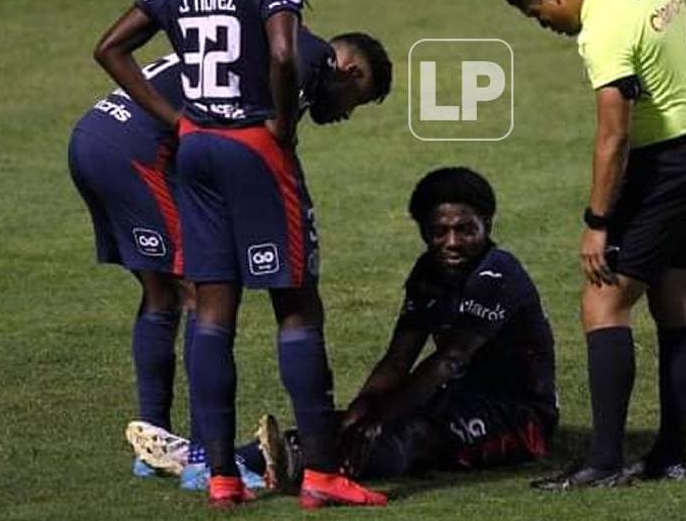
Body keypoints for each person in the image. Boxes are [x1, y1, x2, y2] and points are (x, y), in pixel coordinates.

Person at [92, 0, 385, 510]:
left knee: (212, 311)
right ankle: (323, 476)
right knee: (296, 306)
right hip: (252, 146)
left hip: (194, 147)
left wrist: (174, 117)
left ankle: (219, 474)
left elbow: (110, 46)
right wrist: (281, 122)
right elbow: (284, 54)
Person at [69, 27, 393, 491]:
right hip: (136, 152)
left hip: (95, 136)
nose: (343, 115)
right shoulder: (308, 57)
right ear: (350, 71)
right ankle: (204, 460)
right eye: (353, 101)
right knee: (204, 293)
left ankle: (154, 442)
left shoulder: (261, 40)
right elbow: (256, 150)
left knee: (161, 292)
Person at [501, 0, 686, 489]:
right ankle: (668, 458)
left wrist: (597, 222)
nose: (548, 26)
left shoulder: (602, 29)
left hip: (663, 171)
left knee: (602, 300)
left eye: (539, 14)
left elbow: (614, 132)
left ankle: (603, 461)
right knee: (676, 303)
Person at [231, 167, 558, 489]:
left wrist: (381, 418)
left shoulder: (498, 274)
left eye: (465, 230)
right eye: (439, 232)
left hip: (519, 416)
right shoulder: (428, 272)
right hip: (453, 397)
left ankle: (301, 467)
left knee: (411, 432)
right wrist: (362, 409)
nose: (452, 242)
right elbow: (398, 359)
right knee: (345, 421)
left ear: (486, 224)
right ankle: (233, 461)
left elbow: (449, 359)